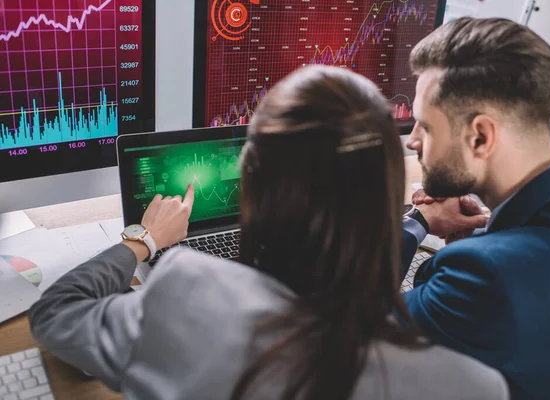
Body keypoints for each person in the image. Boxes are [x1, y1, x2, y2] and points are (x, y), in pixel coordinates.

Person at [28, 66, 507, 400]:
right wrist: (421, 224)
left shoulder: (183, 289)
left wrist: (143, 240)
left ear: (251, 185)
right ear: (387, 191)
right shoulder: (472, 387)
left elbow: (56, 313)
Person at [397, 17, 550, 400]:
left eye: (425, 126)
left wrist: (419, 221)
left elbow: (350, 324)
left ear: (480, 136)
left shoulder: (485, 277)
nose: (413, 141)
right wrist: (483, 233)